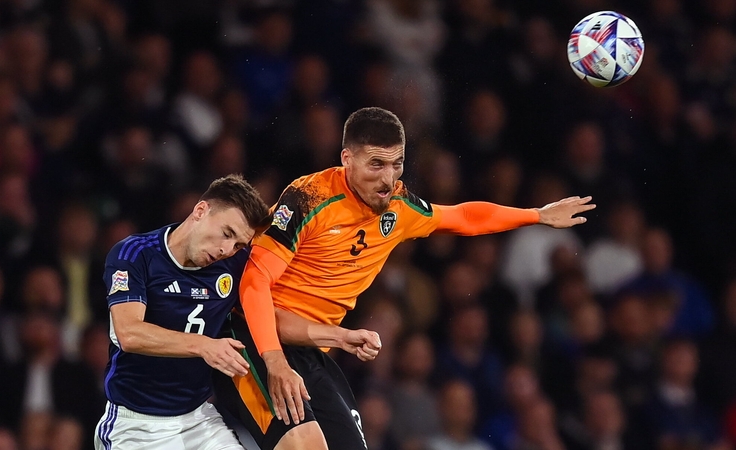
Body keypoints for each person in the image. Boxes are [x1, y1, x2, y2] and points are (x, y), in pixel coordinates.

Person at [213, 107, 596, 450]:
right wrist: (276, 363)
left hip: (313, 346)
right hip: (256, 338)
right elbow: (254, 282)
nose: (388, 178)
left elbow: (462, 217)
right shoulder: (309, 198)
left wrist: (537, 214)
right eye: (376, 164)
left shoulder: (399, 205)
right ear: (347, 159)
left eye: (396, 164)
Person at [93, 174, 272, 450]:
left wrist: (337, 334)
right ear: (200, 211)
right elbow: (128, 333)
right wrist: (204, 346)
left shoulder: (234, 264)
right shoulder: (135, 254)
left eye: (238, 244)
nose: (227, 249)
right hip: (135, 425)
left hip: (198, 420)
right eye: (227, 233)